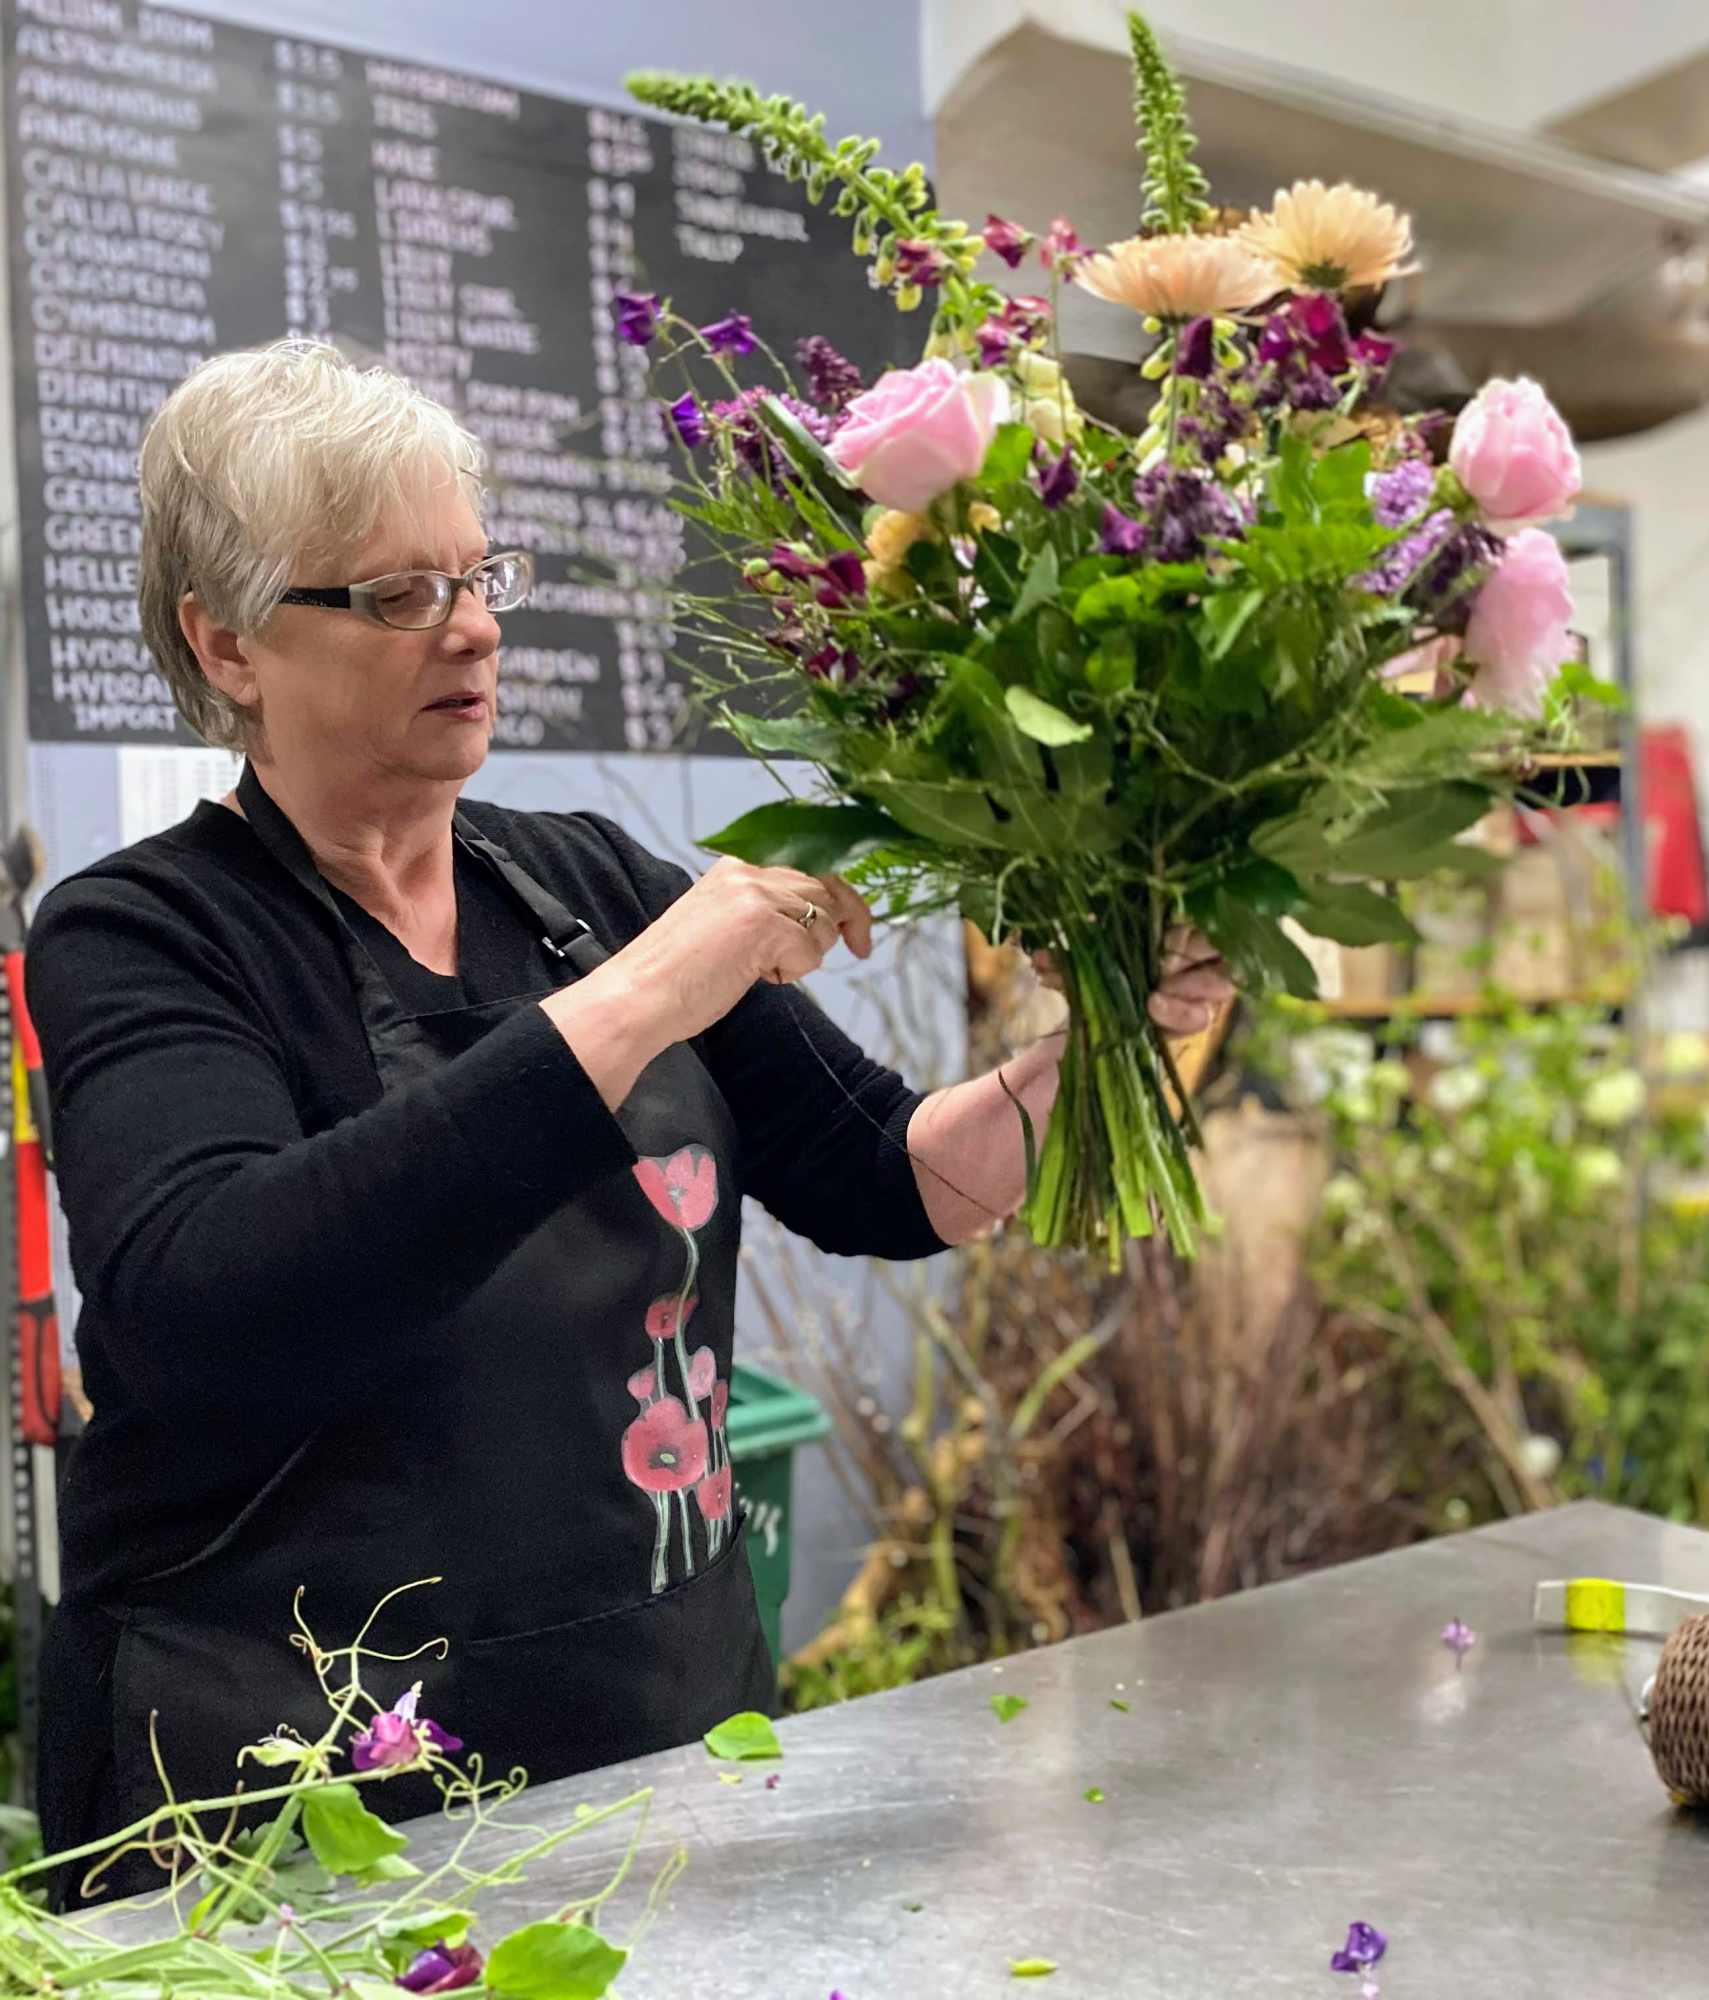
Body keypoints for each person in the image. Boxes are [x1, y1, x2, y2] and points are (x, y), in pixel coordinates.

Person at [28, 339, 1233, 1903]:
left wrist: (1112, 1037)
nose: (473, 626)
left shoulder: (586, 880)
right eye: (396, 596)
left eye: (479, 577)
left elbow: (891, 1175)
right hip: (294, 1807)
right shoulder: (144, 932)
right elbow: (211, 1300)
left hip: (655, 1752)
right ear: (228, 641)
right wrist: (651, 989)